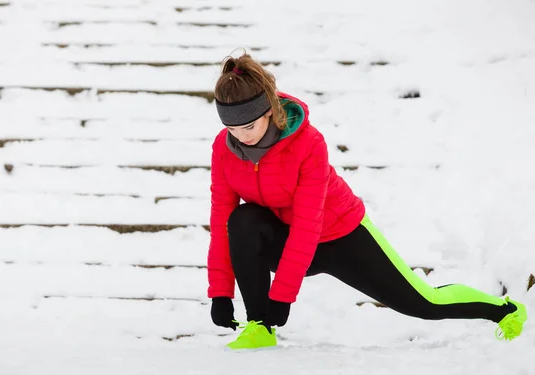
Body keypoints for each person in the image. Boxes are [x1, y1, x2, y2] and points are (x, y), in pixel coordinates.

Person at [206, 52, 527, 350]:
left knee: (422, 303)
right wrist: (221, 292)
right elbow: (222, 220)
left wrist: (283, 294)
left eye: (249, 126)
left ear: (269, 110)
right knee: (242, 221)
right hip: (282, 236)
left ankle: (505, 310)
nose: (242, 136)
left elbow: (308, 223)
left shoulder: (307, 144)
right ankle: (259, 328)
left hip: (340, 234)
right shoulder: (225, 149)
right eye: (232, 128)